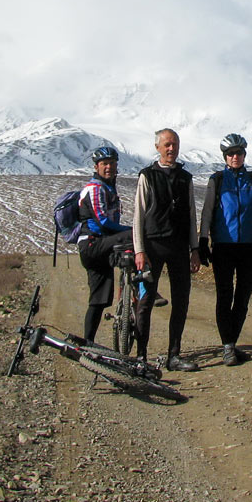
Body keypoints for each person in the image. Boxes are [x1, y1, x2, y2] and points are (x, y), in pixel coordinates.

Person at [199, 133, 252, 366]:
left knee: (242, 299)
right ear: (225, 156)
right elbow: (208, 212)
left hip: (249, 247)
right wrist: (203, 241)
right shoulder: (217, 180)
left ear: (244, 154)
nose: (235, 157)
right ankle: (228, 346)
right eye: (230, 154)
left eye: (238, 153)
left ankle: (232, 343)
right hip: (223, 246)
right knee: (224, 296)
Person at [133, 128, 201, 371]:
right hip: (153, 246)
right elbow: (138, 216)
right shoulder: (147, 176)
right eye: (167, 145)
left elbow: (192, 216)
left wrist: (195, 248)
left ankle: (174, 354)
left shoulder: (186, 178)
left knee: (181, 300)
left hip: (180, 247)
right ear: (158, 148)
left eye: (175, 144)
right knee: (146, 301)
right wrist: (139, 251)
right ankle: (141, 356)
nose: (171, 149)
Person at [75, 146, 133, 343]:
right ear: (96, 166)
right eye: (105, 164)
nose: (109, 167)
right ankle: (146, 286)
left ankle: (88, 343)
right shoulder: (95, 189)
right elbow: (103, 222)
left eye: (112, 163)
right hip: (93, 245)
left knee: (98, 301)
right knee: (138, 237)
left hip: (98, 245)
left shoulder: (108, 187)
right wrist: (129, 230)